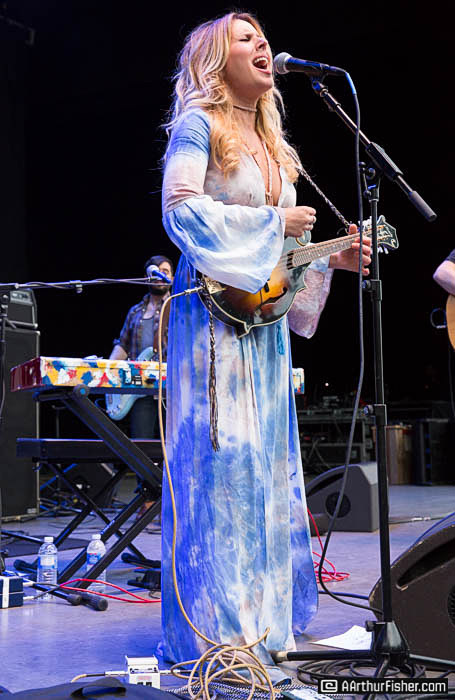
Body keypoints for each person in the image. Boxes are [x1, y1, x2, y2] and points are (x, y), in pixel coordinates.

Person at [160, 12, 371, 666]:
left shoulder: (277, 148)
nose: (262, 45)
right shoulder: (199, 125)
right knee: (223, 472)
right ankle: (218, 639)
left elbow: (281, 262)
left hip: (263, 331)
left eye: (263, 37)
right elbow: (179, 209)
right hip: (213, 328)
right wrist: (273, 222)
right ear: (215, 59)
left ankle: (264, 629)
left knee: (266, 474)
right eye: (245, 38)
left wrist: (328, 259)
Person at [109, 255, 174, 509]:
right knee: (141, 447)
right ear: (147, 277)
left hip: (170, 390)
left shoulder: (177, 307)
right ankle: (146, 503)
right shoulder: (135, 312)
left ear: (172, 277)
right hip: (140, 390)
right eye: (155, 271)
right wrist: (109, 371)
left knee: (171, 446)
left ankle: (171, 504)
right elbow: (123, 346)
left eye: (165, 271)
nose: (160, 275)